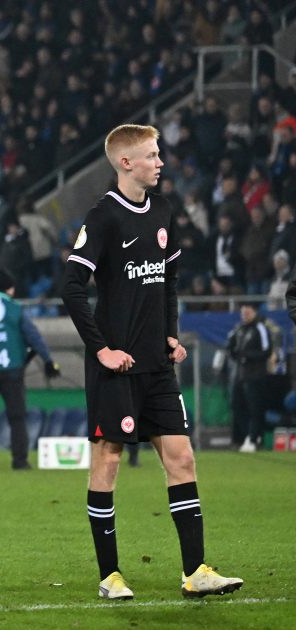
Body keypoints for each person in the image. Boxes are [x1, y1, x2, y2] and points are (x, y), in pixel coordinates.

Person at [63, 124, 242, 600]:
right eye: (151, 155)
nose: (160, 162)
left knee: (182, 458)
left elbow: (169, 280)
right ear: (126, 163)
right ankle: (110, 576)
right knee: (108, 462)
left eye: (158, 154)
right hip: (114, 368)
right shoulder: (102, 217)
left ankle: (196, 571)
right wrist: (102, 349)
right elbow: (71, 286)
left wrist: (170, 335)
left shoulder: (163, 211)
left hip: (157, 367)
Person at [0, 269, 60, 470]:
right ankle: (20, 460)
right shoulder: (16, 310)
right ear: (10, 288)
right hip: (11, 371)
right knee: (17, 417)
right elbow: (34, 338)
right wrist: (48, 361)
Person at [226, 302, 278, 453]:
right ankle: (248, 435)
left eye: (247, 312)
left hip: (256, 374)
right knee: (236, 405)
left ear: (254, 312)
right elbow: (233, 348)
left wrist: (247, 356)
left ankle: (255, 438)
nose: (245, 315)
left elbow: (266, 351)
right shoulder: (240, 329)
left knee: (255, 408)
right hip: (241, 374)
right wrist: (234, 353)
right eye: (243, 313)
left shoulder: (260, 328)